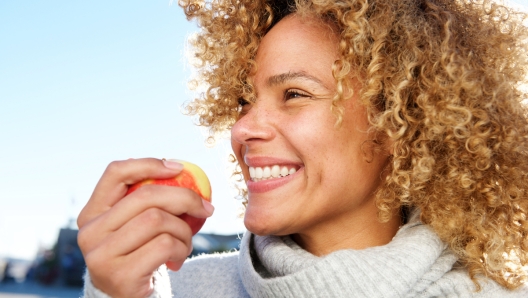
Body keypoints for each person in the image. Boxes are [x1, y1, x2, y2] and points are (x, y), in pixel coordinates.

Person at [77, 0, 528, 297]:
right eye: (242, 101)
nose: (243, 129)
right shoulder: (181, 290)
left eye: (294, 94)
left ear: (402, 120)